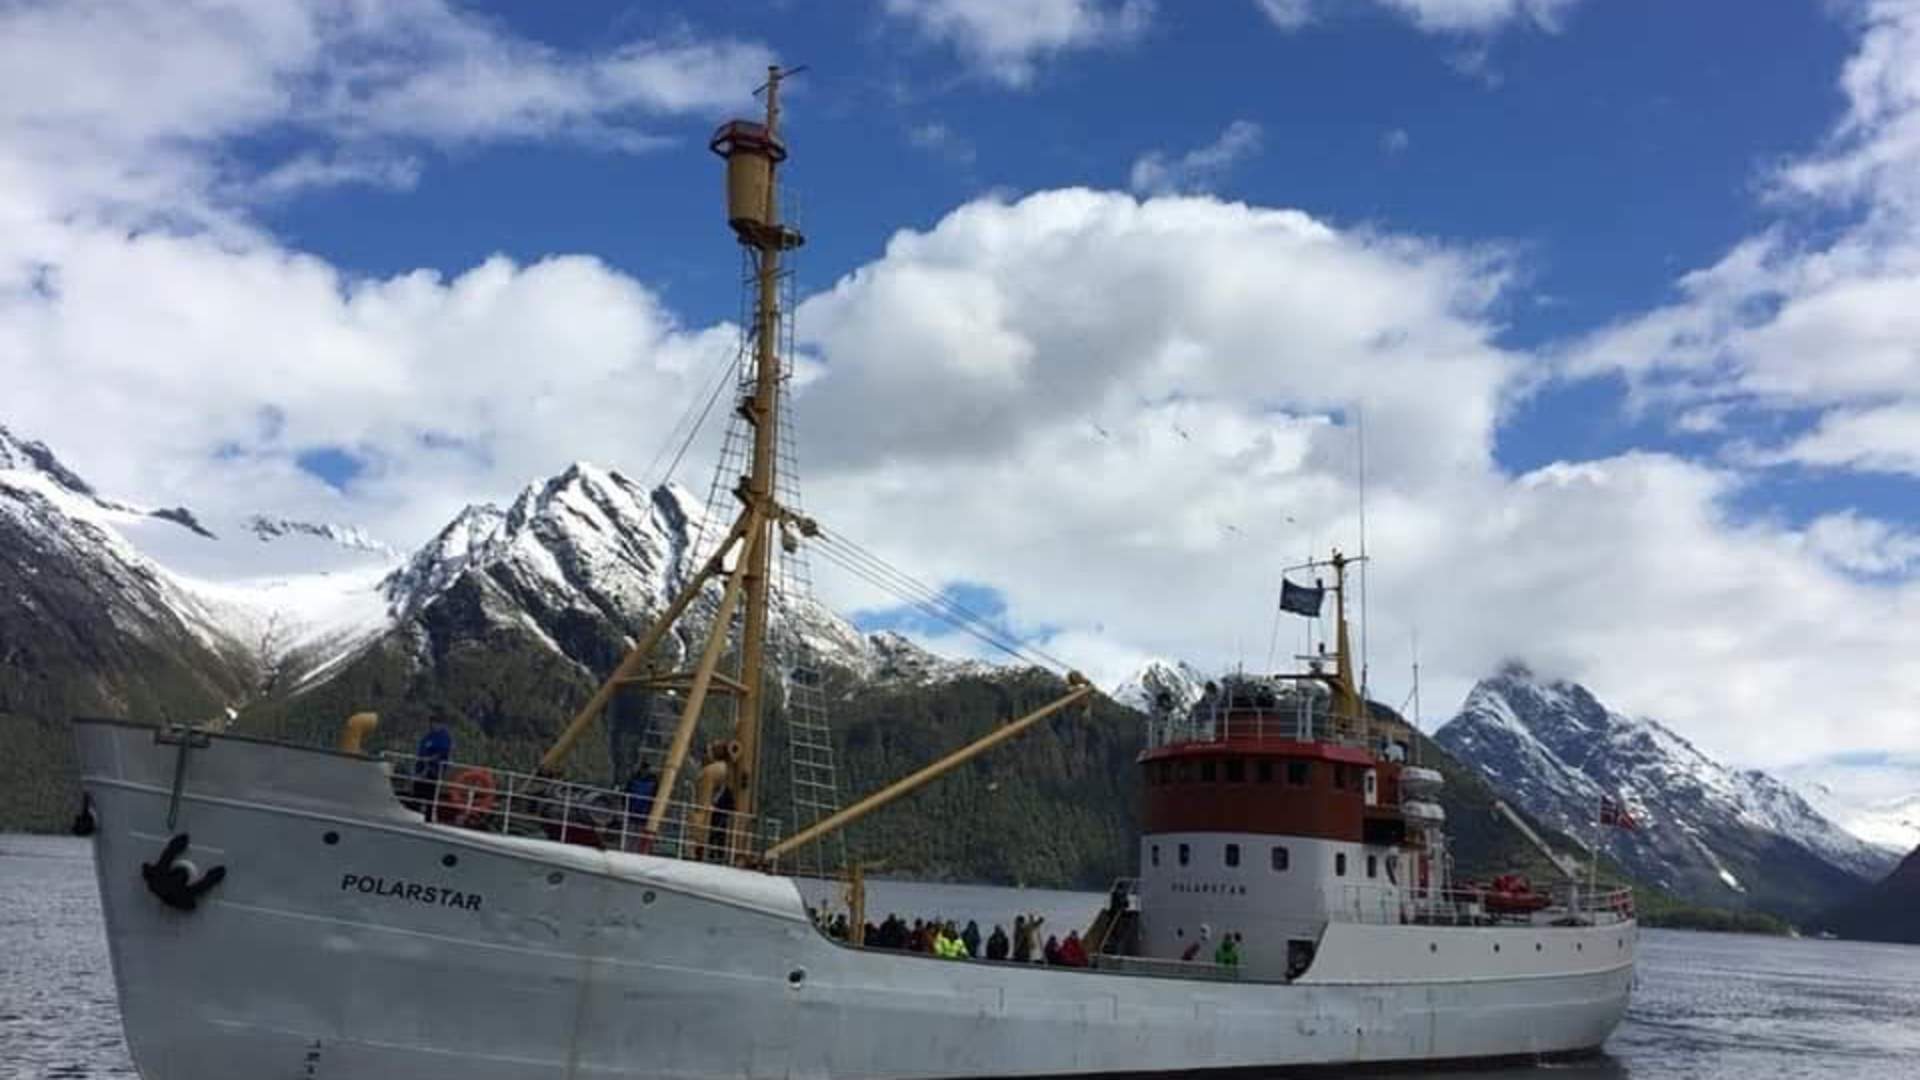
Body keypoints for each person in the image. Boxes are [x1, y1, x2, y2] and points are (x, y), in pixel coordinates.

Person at [410, 718, 453, 818]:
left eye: (436, 722)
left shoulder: (444, 737)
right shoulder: (427, 736)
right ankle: (415, 811)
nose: (433, 725)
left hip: (434, 770)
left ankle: (428, 815)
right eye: (432, 722)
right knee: (417, 789)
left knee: (430, 793)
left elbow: (443, 753)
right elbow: (421, 751)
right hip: (422, 769)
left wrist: (430, 759)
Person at [622, 761, 658, 850]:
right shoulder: (652, 782)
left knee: (633, 835)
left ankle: (629, 849)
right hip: (640, 813)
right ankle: (631, 849)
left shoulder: (634, 780)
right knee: (634, 834)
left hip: (637, 813)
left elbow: (626, 794)